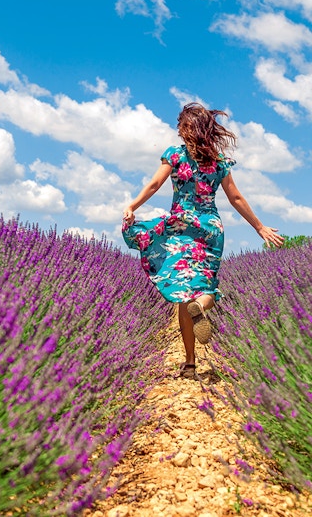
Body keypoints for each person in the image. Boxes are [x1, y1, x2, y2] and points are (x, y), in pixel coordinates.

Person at [122, 102, 284, 379]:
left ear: (186, 129)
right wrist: (259, 227)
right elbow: (235, 197)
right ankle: (204, 305)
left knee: (184, 295)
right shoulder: (219, 162)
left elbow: (154, 185)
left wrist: (133, 206)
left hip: (181, 225)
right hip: (210, 227)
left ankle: (189, 364)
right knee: (205, 286)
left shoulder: (174, 155)